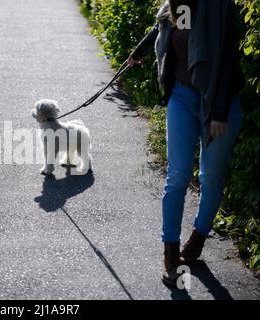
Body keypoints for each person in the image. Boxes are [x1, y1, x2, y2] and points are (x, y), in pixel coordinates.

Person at [127, 0, 244, 286]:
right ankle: (170, 253)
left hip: (220, 102)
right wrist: (137, 53)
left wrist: (218, 112)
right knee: (177, 177)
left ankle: (197, 239)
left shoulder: (220, 7)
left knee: (210, 177)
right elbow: (162, 29)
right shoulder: (179, 6)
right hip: (181, 96)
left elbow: (227, 57)